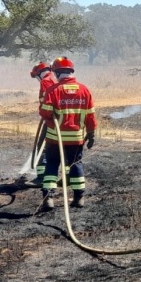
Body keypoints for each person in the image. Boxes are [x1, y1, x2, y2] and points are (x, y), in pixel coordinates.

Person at [39, 56, 97, 210]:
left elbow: (45, 112)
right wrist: (91, 133)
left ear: (57, 73)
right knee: (76, 165)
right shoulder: (85, 90)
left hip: (54, 138)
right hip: (76, 139)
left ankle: (48, 198)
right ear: (71, 71)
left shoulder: (53, 90)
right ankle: (79, 198)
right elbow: (90, 115)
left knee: (51, 165)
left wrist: (52, 122)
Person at [29, 61, 58, 187]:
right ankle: (69, 175)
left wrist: (45, 114)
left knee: (43, 145)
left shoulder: (46, 81)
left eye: (36, 77)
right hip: (60, 119)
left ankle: (41, 176)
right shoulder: (55, 78)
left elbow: (47, 102)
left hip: (51, 119)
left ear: (39, 73)